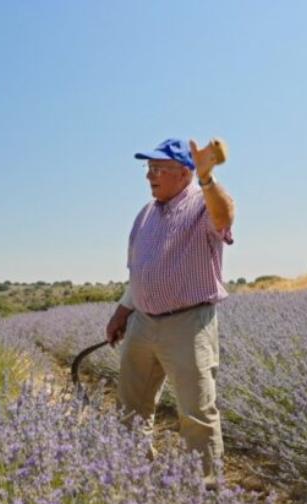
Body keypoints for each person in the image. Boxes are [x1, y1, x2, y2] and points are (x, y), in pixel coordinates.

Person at [105, 137, 235, 481]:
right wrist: (122, 311)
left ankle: (205, 489)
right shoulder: (145, 214)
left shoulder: (201, 203)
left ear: (184, 173)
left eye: (159, 168)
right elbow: (139, 272)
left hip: (188, 324)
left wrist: (208, 178)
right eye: (148, 168)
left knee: (196, 411)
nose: (150, 176)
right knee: (130, 407)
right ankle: (135, 473)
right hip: (143, 323)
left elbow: (224, 217)